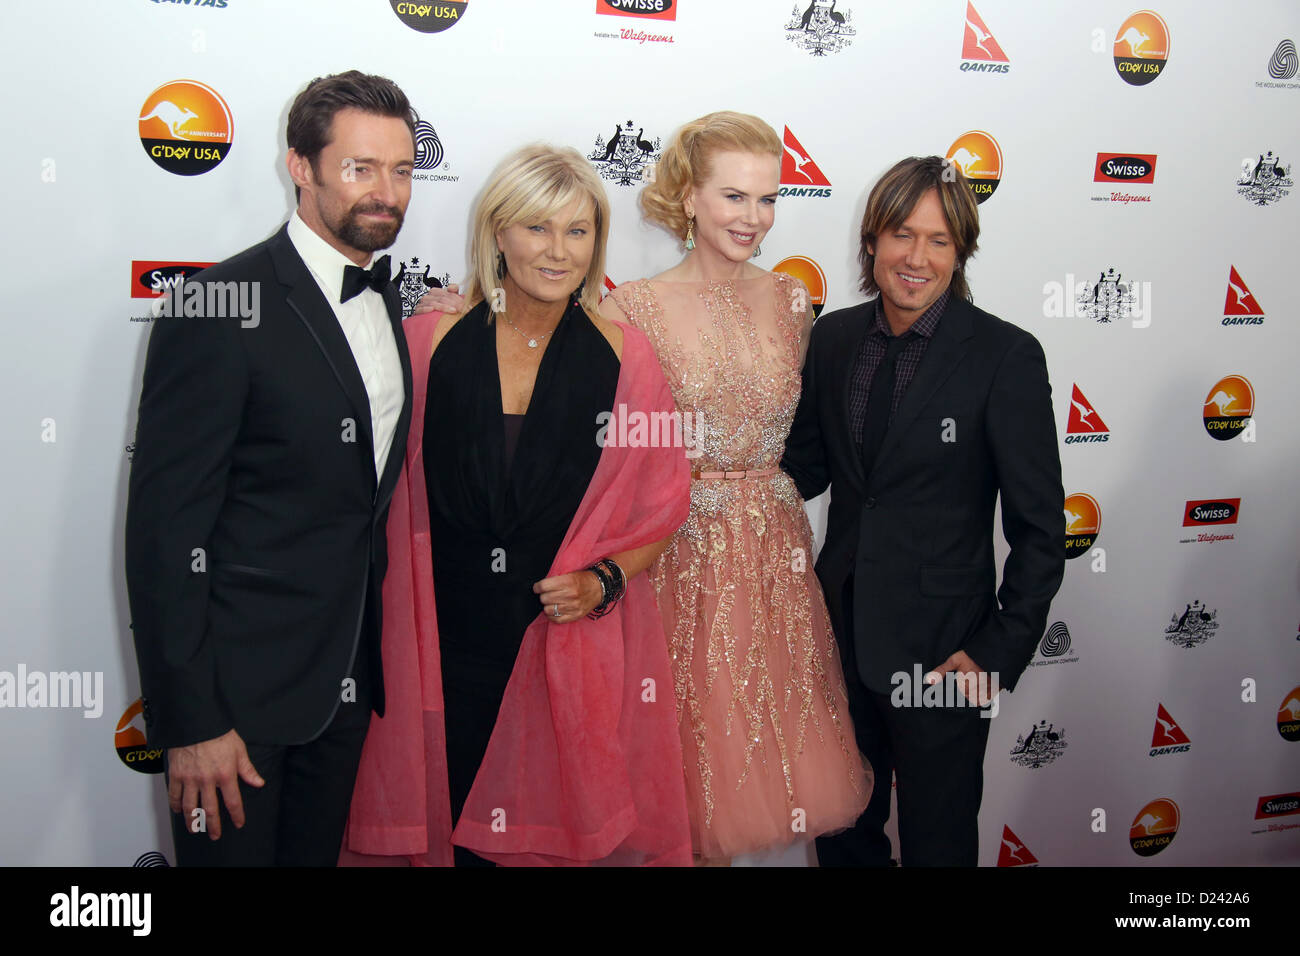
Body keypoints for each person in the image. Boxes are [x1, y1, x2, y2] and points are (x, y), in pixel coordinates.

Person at [343, 144, 694, 866]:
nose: (558, 251)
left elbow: (663, 505)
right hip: (438, 647)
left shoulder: (627, 357)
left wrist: (605, 581)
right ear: (498, 233)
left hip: (560, 646)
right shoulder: (426, 342)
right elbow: (371, 494)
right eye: (537, 228)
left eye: (578, 230)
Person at [125, 71, 418, 865]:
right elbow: (164, 535)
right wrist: (190, 722)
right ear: (300, 166)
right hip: (233, 712)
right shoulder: (216, 307)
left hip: (346, 691)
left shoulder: (388, 301)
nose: (385, 193)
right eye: (360, 168)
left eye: (401, 170)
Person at [599, 111, 871, 863]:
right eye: (733, 197)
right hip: (677, 556)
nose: (754, 218)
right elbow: (616, 451)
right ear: (687, 197)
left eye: (767, 199)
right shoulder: (634, 310)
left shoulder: (791, 301)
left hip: (776, 558)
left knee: (754, 764)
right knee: (684, 778)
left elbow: (817, 433)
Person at [781, 156, 1065, 867]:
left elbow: (1041, 530)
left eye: (939, 241)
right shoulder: (833, 338)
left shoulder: (1004, 357)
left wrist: (994, 655)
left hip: (946, 657)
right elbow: (804, 471)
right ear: (872, 239)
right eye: (902, 234)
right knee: (843, 836)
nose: (916, 257)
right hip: (838, 641)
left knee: (939, 846)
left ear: (960, 252)